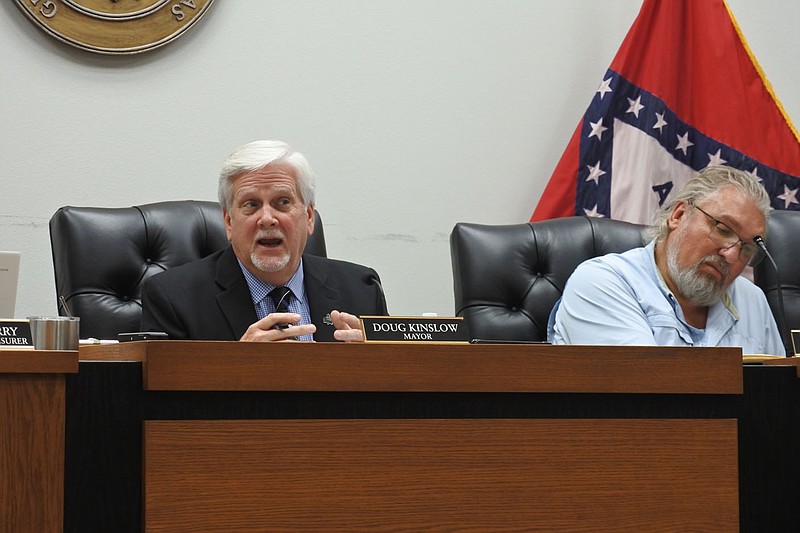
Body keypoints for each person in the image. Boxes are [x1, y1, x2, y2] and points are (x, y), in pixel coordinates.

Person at [140, 139, 387, 342]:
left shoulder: (361, 290)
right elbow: (164, 400)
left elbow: (399, 391)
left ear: (309, 217)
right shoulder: (173, 298)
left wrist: (375, 365)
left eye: (283, 202)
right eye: (251, 205)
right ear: (228, 222)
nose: (267, 219)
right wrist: (240, 366)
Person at [547, 165, 785, 356]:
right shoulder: (602, 283)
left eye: (747, 248)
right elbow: (646, 397)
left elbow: (778, 399)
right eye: (723, 229)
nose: (731, 255)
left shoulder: (752, 299)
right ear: (679, 215)